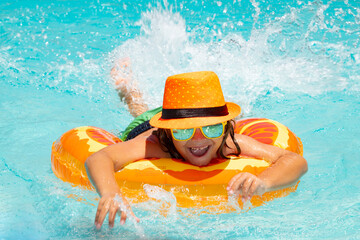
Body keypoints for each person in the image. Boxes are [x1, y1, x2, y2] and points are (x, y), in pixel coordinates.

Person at [85, 62, 308, 229]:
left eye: (211, 128)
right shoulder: (157, 144)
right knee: (137, 107)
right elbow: (99, 158)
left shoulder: (229, 142)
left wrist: (263, 182)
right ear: (169, 134)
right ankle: (124, 84)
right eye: (185, 131)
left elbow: (294, 160)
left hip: (176, 116)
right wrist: (110, 192)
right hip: (146, 124)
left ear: (226, 127)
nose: (198, 139)